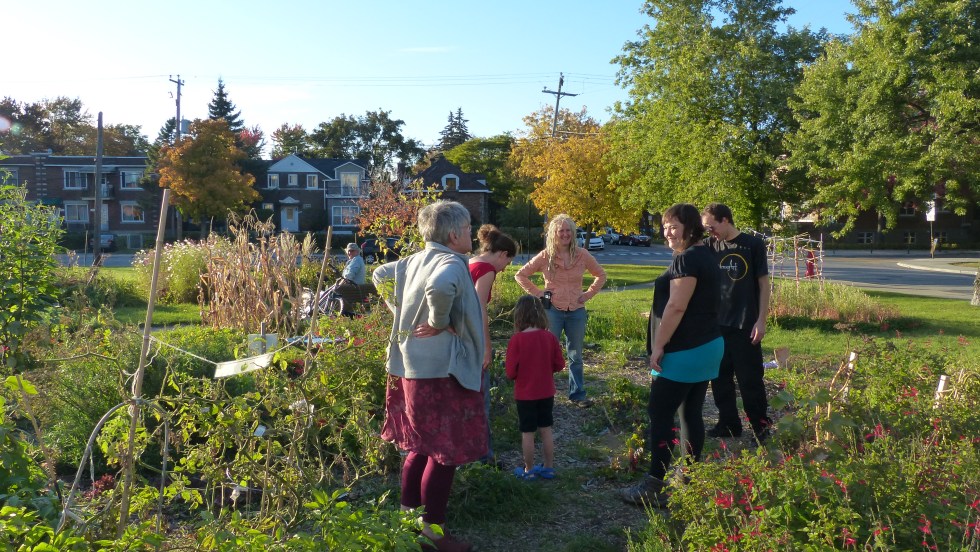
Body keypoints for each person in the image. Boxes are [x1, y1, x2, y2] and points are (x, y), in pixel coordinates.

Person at [371, 200, 484, 552]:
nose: (471, 235)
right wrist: (438, 322)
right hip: (441, 371)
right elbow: (440, 288)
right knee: (443, 452)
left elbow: (378, 275)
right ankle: (433, 535)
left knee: (419, 447)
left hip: (409, 367)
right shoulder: (450, 261)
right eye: (467, 229)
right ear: (453, 234)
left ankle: (408, 527)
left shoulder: (413, 260)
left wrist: (398, 309)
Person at [619, 203, 723, 507]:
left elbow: (677, 306)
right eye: (664, 226)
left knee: (660, 414)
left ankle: (654, 486)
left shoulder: (687, 260)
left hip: (684, 350)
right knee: (690, 412)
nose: (667, 232)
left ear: (691, 228)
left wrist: (659, 345)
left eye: (674, 226)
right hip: (707, 346)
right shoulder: (705, 256)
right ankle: (689, 478)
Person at [515, 214, 606, 406]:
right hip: (552, 311)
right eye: (561, 231)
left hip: (577, 310)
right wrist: (539, 293)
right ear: (554, 234)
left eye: (568, 231)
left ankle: (578, 394)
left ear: (573, 233)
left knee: (576, 355)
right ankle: (544, 395)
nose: (565, 234)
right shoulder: (546, 255)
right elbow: (521, 275)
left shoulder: (582, 254)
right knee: (547, 354)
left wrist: (588, 294)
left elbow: (601, 275)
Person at [701, 203, 773, 442]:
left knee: (750, 380)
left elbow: (763, 285)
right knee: (719, 379)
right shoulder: (709, 246)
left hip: (745, 325)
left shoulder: (752, 245)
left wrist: (761, 320)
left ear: (725, 220)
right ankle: (728, 424)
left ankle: (760, 428)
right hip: (715, 326)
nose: (710, 232)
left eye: (712, 227)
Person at [468, 224, 518, 467]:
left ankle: (469, 453)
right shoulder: (487, 268)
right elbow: (480, 309)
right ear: (502, 254)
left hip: (459, 338)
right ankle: (483, 456)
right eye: (507, 263)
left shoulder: (471, 262)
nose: (504, 268)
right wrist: (487, 347)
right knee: (481, 400)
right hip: (473, 342)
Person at [505, 295, 565, 480]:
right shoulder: (550, 337)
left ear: (519, 316)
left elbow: (510, 372)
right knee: (546, 429)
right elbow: (559, 364)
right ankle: (548, 467)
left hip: (525, 394)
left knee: (528, 432)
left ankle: (528, 469)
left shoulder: (517, 340)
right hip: (546, 391)